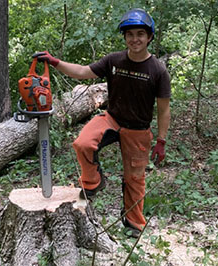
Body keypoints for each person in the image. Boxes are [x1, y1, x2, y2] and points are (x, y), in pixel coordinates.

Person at [36, 8, 171, 238]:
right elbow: (82, 72)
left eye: (140, 34)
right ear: (124, 37)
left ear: (149, 37)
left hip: (138, 130)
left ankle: (134, 224)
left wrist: (161, 140)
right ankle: (93, 181)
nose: (135, 39)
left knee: (135, 179)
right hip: (112, 119)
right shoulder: (114, 60)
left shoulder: (158, 70)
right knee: (83, 143)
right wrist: (55, 62)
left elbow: (164, 108)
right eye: (130, 34)